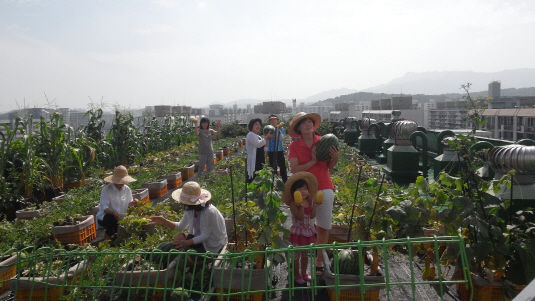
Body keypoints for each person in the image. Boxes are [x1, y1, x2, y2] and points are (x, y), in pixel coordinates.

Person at [288, 112, 340, 276]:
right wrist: (312, 161)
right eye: (304, 123)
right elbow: (294, 169)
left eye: (310, 121)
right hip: (304, 191)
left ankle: (318, 263)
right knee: (302, 228)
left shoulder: (323, 141)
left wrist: (335, 158)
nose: (308, 124)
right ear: (298, 128)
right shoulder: (294, 146)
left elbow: (330, 166)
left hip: (324, 187)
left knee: (322, 228)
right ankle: (300, 268)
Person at [149, 181, 227, 265]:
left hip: (212, 244)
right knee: (178, 238)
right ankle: (191, 255)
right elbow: (181, 226)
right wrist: (164, 221)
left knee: (188, 259)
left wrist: (185, 243)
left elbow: (205, 236)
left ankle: (211, 258)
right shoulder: (190, 209)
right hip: (199, 238)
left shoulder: (209, 212)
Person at [283, 172, 319, 285]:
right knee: (296, 256)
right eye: (300, 189)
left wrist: (315, 207)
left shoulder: (309, 201)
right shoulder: (293, 204)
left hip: (307, 233)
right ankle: (296, 274)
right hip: (298, 233)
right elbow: (299, 216)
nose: (303, 192)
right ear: (294, 192)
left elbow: (312, 216)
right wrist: (301, 207)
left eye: (305, 189)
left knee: (305, 255)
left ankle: (304, 273)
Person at [96, 165, 139, 240]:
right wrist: (113, 212)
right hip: (106, 217)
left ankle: (116, 237)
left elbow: (130, 204)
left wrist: (134, 203)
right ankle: (108, 238)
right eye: (120, 181)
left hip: (122, 217)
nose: (122, 183)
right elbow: (104, 207)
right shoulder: (106, 190)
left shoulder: (127, 189)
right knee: (111, 219)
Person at [246, 118, 273, 183]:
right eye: (256, 124)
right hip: (255, 161)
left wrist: (266, 150)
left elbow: (263, 145)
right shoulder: (250, 134)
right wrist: (266, 137)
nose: (258, 126)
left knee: (259, 178)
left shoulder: (258, 136)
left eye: (259, 125)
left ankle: (258, 192)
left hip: (259, 160)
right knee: (255, 178)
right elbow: (258, 144)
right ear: (251, 126)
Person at [266, 114, 288, 183]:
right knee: (273, 167)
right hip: (271, 150)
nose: (273, 121)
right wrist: (266, 150)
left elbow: (281, 138)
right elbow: (266, 139)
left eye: (274, 120)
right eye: (271, 120)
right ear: (270, 121)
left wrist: (278, 130)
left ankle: (285, 181)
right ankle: (274, 182)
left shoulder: (281, 129)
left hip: (279, 150)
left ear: (277, 121)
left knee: (282, 166)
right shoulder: (267, 129)